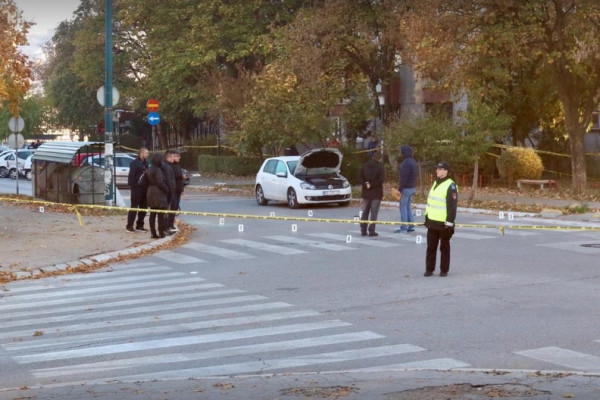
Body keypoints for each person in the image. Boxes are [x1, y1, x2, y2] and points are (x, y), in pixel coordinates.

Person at [424, 162, 458, 277]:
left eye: (440, 169)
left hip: (443, 223)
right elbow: (431, 202)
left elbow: (452, 206)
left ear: (446, 171)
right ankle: (429, 269)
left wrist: (449, 223)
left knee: (444, 247)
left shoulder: (451, 185)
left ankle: (444, 270)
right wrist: (427, 217)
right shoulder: (435, 182)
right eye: (437, 169)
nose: (437, 171)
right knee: (431, 247)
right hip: (432, 221)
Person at [358, 151, 385, 237]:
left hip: (366, 193)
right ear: (379, 159)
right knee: (374, 213)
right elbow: (381, 180)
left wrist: (365, 184)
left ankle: (363, 230)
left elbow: (359, 177)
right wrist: (372, 184)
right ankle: (371, 230)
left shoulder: (365, 166)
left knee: (365, 212)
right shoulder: (380, 167)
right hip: (376, 193)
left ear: (372, 157)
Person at [126, 147, 150, 233]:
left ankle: (140, 225)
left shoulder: (146, 163)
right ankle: (129, 225)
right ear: (141, 153)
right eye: (146, 153)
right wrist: (133, 186)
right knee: (134, 207)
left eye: (148, 153)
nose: (147, 155)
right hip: (136, 189)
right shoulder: (134, 163)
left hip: (145, 188)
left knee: (144, 207)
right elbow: (131, 175)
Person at [147, 152, 171, 238]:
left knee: (152, 214)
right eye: (161, 160)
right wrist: (167, 190)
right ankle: (161, 233)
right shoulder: (157, 169)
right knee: (161, 214)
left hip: (150, 192)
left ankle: (153, 233)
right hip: (158, 193)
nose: (162, 162)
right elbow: (160, 182)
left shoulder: (150, 168)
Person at [395, 145, 418, 233]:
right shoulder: (413, 161)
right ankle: (411, 225)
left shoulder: (405, 163)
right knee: (408, 207)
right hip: (412, 187)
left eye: (401, 152)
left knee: (403, 207)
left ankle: (404, 227)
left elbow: (403, 177)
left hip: (406, 188)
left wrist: (400, 189)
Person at [167, 150, 184, 232]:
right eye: (177, 156)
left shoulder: (177, 165)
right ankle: (169, 224)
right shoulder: (169, 166)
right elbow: (173, 178)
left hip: (178, 189)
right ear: (172, 156)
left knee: (175, 207)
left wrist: (182, 189)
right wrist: (181, 177)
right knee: (172, 206)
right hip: (173, 190)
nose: (179, 158)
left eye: (179, 156)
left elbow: (179, 179)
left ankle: (171, 223)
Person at [161, 150, 176, 235]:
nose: (174, 158)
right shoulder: (166, 166)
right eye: (173, 156)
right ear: (169, 157)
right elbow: (168, 180)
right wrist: (170, 191)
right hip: (168, 192)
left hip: (169, 191)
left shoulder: (168, 165)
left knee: (166, 211)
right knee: (165, 211)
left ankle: (166, 227)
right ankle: (165, 228)